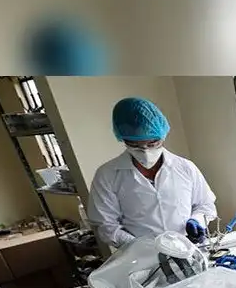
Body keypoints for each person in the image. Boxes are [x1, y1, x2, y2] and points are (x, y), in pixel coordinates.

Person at [87, 97, 217, 247]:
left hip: (188, 247)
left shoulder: (185, 168)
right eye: (135, 145)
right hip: (139, 255)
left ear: (162, 136)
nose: (145, 151)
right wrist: (143, 247)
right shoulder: (107, 175)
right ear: (123, 139)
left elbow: (205, 205)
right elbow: (106, 226)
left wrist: (197, 220)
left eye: (152, 143)